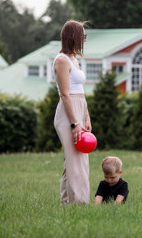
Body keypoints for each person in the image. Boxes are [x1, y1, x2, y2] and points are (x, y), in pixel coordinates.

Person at [53, 20, 91, 204]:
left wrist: (86, 116)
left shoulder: (74, 60)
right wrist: (75, 123)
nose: (84, 39)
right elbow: (65, 95)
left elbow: (80, 92)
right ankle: (79, 203)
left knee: (78, 159)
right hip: (68, 113)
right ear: (74, 37)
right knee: (74, 160)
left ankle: (67, 202)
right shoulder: (62, 61)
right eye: (83, 35)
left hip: (79, 108)